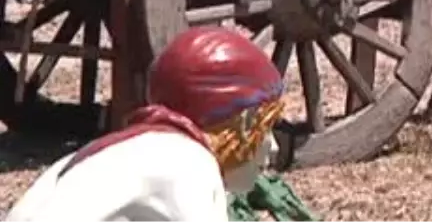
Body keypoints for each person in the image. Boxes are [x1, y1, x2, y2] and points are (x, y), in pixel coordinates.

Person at [6, 26, 287, 222]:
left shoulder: (105, 155)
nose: (273, 147)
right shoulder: (189, 164)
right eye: (266, 127)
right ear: (243, 122)